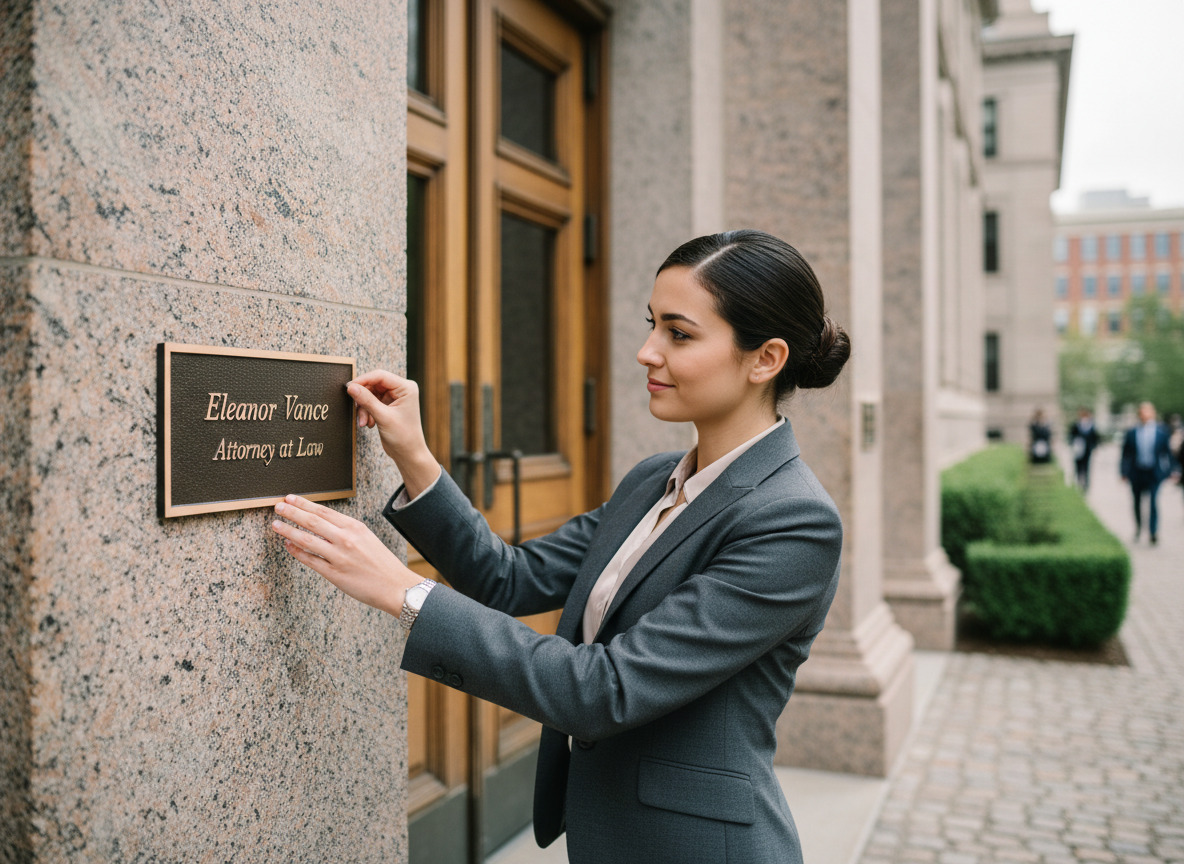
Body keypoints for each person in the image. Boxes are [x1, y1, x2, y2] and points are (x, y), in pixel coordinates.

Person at [270, 230, 851, 864]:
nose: (645, 352)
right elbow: (508, 578)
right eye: (652, 325)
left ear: (764, 358)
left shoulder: (793, 522)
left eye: (679, 334)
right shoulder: (651, 480)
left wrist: (406, 593)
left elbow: (606, 689)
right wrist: (414, 455)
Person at [1120, 401, 1175, 545]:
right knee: (1137, 502)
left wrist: (1171, 470)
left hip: (1154, 473)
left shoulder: (1161, 432)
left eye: (1147, 411)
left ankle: (1153, 532)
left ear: (1152, 413)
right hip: (1136, 472)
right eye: (1142, 412)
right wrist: (1123, 472)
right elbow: (1125, 454)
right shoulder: (1132, 432)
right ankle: (1138, 528)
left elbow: (1167, 453)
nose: (1145, 414)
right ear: (1139, 414)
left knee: (1153, 502)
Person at [1068, 407, 1100, 491]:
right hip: (1078, 449)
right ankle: (1079, 481)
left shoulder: (1091, 426)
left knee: (1086, 467)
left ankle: (1086, 483)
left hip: (1087, 449)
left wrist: (1095, 447)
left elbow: (1095, 437)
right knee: (1078, 466)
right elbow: (1071, 436)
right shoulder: (1076, 425)